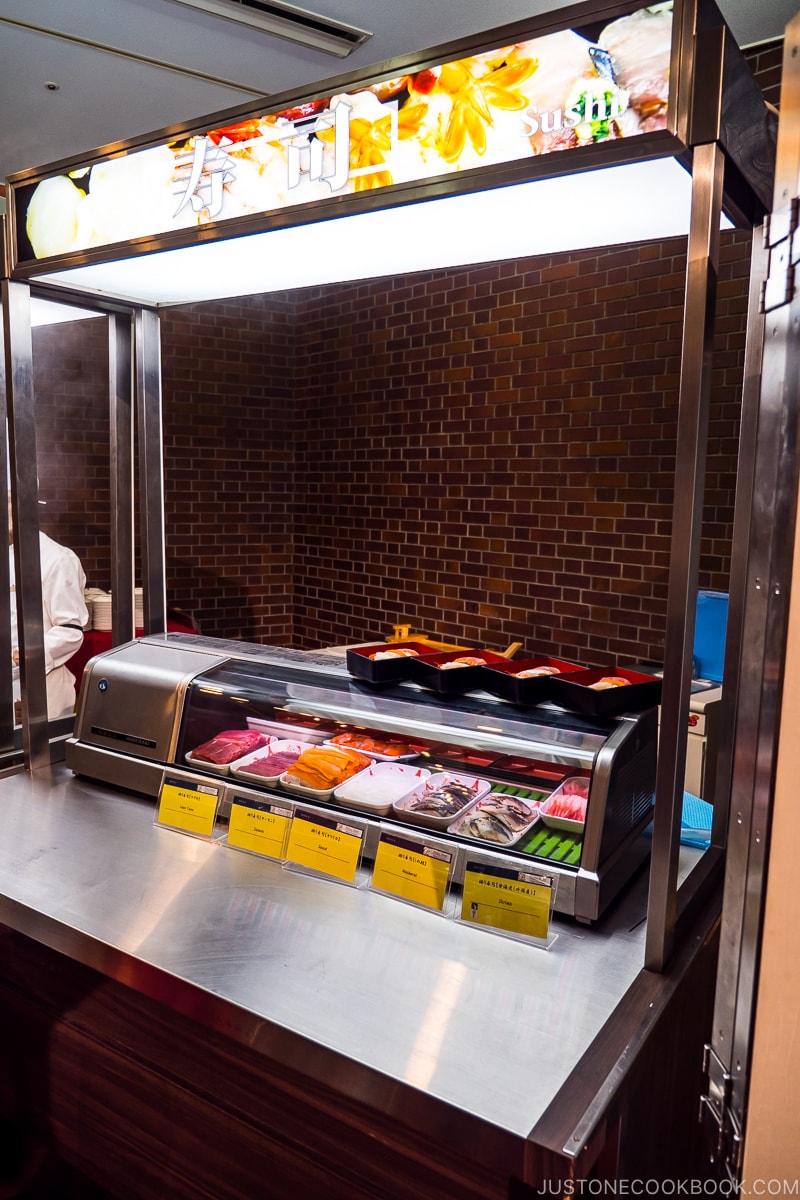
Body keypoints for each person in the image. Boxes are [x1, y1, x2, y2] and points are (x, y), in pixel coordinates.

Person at [8, 494, 89, 720]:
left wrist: (27, 653)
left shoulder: (56, 559)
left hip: (39, 692)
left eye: (6, 498)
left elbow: (71, 631)